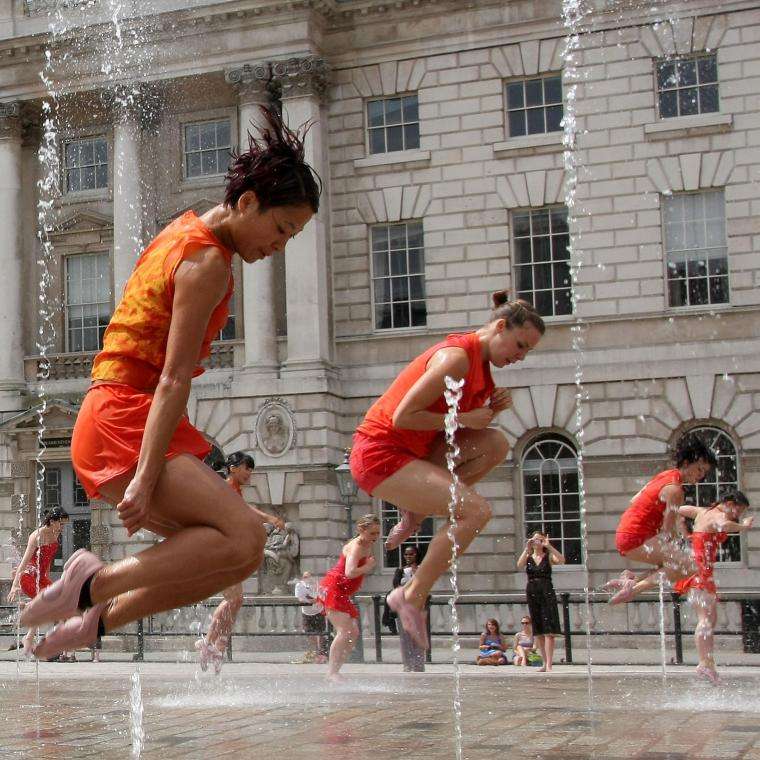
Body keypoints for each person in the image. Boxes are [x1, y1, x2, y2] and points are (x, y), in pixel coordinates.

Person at [20, 106, 321, 659]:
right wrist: (146, 475)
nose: (281, 246)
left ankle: (96, 622)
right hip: (124, 415)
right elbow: (174, 378)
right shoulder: (207, 261)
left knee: (238, 555)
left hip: (116, 412)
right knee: (244, 538)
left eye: (293, 236)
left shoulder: (182, 230)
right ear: (248, 201)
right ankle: (87, 584)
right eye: (282, 229)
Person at [350, 295, 545, 648]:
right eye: (520, 345)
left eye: (527, 351)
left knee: (497, 444)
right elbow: (403, 417)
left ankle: (417, 512)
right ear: (500, 327)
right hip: (379, 454)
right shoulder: (456, 357)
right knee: (476, 511)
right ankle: (410, 595)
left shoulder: (481, 372)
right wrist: (467, 417)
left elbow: (450, 431)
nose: (520, 356)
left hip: (415, 453)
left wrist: (486, 411)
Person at [196, 451, 285, 673]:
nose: (249, 473)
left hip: (225, 549)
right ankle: (209, 643)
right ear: (233, 468)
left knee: (236, 600)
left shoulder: (234, 489)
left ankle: (217, 645)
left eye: (251, 469)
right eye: (247, 468)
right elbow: (244, 511)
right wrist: (269, 517)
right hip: (219, 550)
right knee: (234, 599)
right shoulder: (226, 487)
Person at [605, 435, 717, 605]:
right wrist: (680, 546)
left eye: (704, 472)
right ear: (686, 464)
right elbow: (668, 530)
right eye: (700, 470)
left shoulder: (666, 476)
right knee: (691, 565)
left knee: (670, 564)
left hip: (626, 531)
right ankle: (633, 591)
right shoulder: (676, 490)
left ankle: (630, 582)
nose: (701, 476)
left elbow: (634, 500)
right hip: (636, 536)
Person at [674, 491, 753, 686]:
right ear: (728, 503)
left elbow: (676, 510)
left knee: (711, 618)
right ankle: (703, 663)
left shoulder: (701, 512)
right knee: (705, 619)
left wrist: (685, 534)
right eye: (738, 510)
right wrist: (743, 527)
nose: (737, 515)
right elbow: (725, 525)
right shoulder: (718, 516)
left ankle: (709, 663)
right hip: (700, 572)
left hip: (699, 570)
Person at [318, 514, 380, 682]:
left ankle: (335, 670)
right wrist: (367, 567)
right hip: (334, 588)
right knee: (345, 631)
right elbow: (349, 572)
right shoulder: (357, 546)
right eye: (372, 533)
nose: (376, 537)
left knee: (354, 632)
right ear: (361, 530)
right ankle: (332, 672)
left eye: (377, 533)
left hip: (341, 591)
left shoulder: (367, 543)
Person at [7, 507, 69, 658]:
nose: (63, 528)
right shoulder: (36, 536)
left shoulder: (56, 533)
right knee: (45, 601)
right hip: (28, 575)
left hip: (40, 576)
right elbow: (24, 562)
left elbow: (47, 561)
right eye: (61, 524)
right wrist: (15, 585)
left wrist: (46, 579)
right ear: (52, 521)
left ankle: (28, 636)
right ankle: (28, 610)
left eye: (64, 525)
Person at [517, 532, 564, 672]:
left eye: (539, 539)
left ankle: (549, 664)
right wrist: (527, 548)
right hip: (532, 591)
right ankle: (544, 663)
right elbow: (519, 564)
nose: (536, 541)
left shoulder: (548, 556)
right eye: (534, 539)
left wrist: (549, 546)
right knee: (538, 631)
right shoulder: (529, 557)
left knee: (548, 630)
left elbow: (561, 560)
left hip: (546, 591)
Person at [392, 545, 426, 672]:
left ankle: (418, 665)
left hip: (418, 607)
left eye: (411, 554)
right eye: (406, 554)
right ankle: (407, 664)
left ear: (416, 555)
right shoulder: (400, 570)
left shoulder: (422, 569)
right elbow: (396, 587)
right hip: (404, 607)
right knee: (405, 637)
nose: (408, 557)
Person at [294, 571, 327, 664]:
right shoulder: (299, 585)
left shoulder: (317, 584)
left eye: (309, 576)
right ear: (302, 578)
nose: (307, 578)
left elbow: (322, 596)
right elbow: (300, 599)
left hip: (318, 611)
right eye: (305, 577)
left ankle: (321, 653)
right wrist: (313, 600)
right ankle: (315, 653)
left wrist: (315, 599)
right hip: (307, 613)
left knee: (321, 633)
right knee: (309, 633)